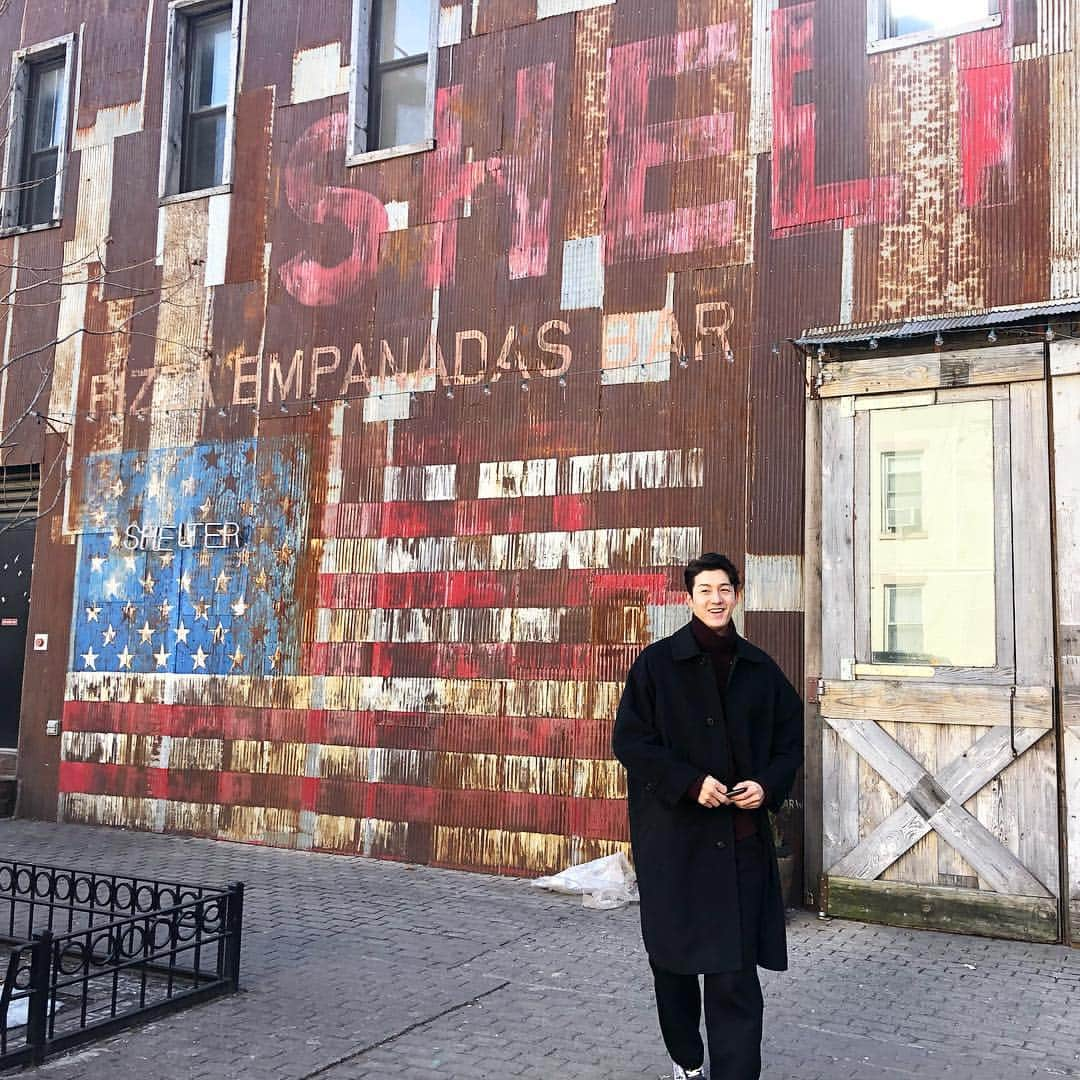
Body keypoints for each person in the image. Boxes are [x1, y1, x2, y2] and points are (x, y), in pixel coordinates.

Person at [612, 552, 803, 1080]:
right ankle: (687, 1060)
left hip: (739, 847)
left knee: (734, 980)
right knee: (673, 967)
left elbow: (790, 743)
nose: (716, 599)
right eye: (705, 590)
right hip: (675, 846)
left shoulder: (761, 670)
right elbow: (630, 741)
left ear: (737, 594)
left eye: (725, 589)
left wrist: (766, 785)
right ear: (689, 598)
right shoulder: (656, 665)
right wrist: (689, 782)